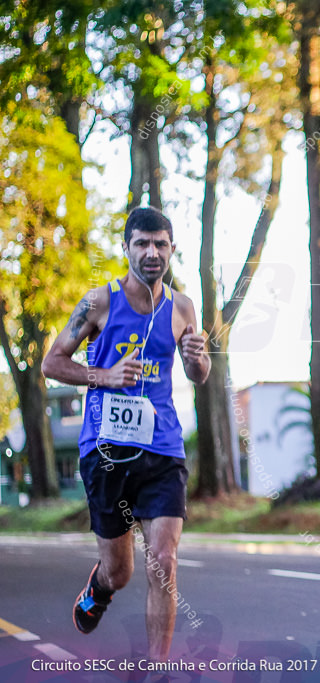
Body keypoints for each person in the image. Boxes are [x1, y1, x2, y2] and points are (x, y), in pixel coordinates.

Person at [41, 207, 210, 661]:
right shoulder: (97, 302)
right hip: (107, 451)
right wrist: (104, 375)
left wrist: (196, 357)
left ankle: (158, 668)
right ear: (126, 248)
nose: (152, 252)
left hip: (162, 450)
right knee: (121, 572)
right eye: (142, 243)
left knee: (165, 562)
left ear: (172, 249)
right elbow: (51, 363)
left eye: (160, 244)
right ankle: (99, 587)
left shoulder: (183, 306)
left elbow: (199, 372)